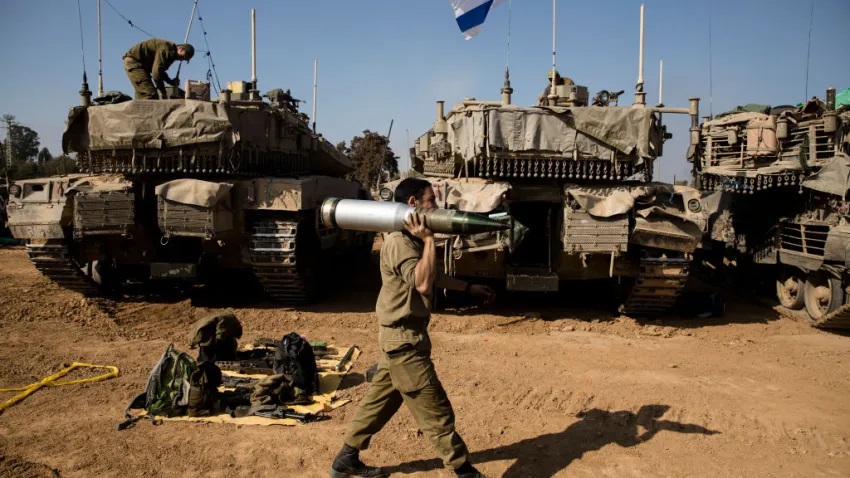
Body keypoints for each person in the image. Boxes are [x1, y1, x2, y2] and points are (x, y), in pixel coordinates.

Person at [329, 178, 496, 478]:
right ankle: (464, 470)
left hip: (401, 336)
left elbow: (432, 274)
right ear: (413, 204)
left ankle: (346, 459)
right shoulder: (398, 242)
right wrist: (430, 240)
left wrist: (469, 288)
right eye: (431, 200)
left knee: (377, 404)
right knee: (435, 409)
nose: (436, 206)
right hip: (403, 341)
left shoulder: (410, 238)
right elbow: (421, 281)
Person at [123, 39, 195, 99]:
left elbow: (160, 71)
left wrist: (171, 82)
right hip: (134, 62)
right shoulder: (166, 48)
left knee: (142, 96)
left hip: (142, 66)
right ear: (180, 48)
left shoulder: (171, 54)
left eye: (184, 60)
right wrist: (163, 92)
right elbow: (156, 73)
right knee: (150, 94)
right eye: (183, 57)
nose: (181, 60)